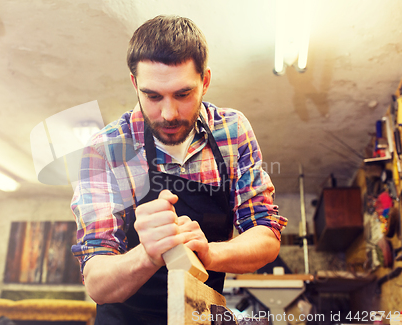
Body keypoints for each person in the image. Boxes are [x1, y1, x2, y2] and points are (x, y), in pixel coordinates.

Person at [71, 15, 287, 324]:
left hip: (200, 315)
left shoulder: (232, 132)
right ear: (135, 84)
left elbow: (265, 235)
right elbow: (97, 282)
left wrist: (209, 254)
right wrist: (148, 254)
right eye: (153, 96)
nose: (169, 114)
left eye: (183, 94)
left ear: (205, 81)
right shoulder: (104, 150)